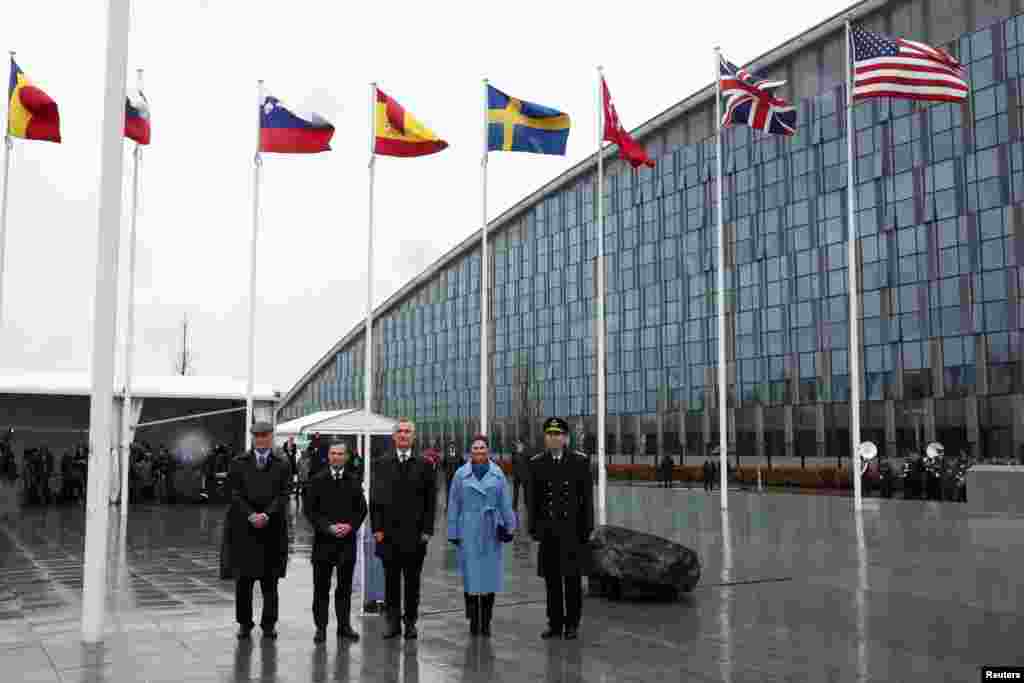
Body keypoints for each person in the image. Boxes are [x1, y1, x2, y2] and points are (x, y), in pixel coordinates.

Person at [370, 418, 437, 640]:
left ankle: (410, 623)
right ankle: (392, 623)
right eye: (400, 431)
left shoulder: (425, 464)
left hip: (415, 535)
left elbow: (431, 500)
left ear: (413, 436)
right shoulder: (381, 463)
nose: (403, 435)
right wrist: (376, 529)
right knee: (390, 582)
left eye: (408, 431)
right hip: (387, 534)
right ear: (394, 436)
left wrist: (427, 530)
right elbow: (375, 499)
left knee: (412, 582)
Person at [528, 417, 594, 641]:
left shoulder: (579, 461)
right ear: (545, 438)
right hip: (549, 533)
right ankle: (555, 623)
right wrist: (534, 528)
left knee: (572, 580)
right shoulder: (537, 462)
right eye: (549, 434)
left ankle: (572, 623)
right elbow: (533, 500)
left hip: (572, 532)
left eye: (557, 434)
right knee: (552, 581)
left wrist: (587, 530)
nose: (553, 438)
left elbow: (586, 499)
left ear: (565, 438)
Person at [224, 422, 291, 640]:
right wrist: (250, 514)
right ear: (252, 438)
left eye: (265, 435)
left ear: (272, 437)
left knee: (269, 581)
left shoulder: (282, 464)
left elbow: (284, 494)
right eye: (257, 436)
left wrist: (267, 515)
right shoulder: (238, 462)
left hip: (271, 530)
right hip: (245, 529)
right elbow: (233, 493)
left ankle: (269, 624)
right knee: (243, 581)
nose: (261, 439)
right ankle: (244, 623)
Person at [447, 434, 517, 637]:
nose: (479, 451)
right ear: (470, 451)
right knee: (471, 578)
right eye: (475, 448)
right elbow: (454, 504)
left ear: (488, 451)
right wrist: (453, 531)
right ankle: (473, 619)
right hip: (468, 529)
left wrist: (509, 526)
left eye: (482, 448)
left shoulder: (498, 475)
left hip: (490, 530)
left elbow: (505, 502)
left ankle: (486, 621)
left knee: (489, 578)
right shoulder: (460, 474)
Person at [306, 442, 367, 644]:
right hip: (324, 542)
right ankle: (320, 628)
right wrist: (327, 527)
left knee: (344, 588)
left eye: (341, 453)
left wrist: (350, 526)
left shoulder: (354, 480)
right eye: (333, 453)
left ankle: (344, 626)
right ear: (328, 456)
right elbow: (310, 511)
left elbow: (361, 510)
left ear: (346, 457)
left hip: (346, 542)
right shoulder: (317, 480)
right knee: (321, 588)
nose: (337, 457)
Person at [511, 440, 530, 511]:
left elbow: (529, 464)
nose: (519, 445)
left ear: (523, 445)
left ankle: (527, 504)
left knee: (526, 492)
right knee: (515, 492)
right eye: (518, 444)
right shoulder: (514, 453)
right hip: (516, 475)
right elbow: (513, 463)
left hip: (525, 475)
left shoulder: (526, 453)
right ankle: (514, 506)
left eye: (520, 444)